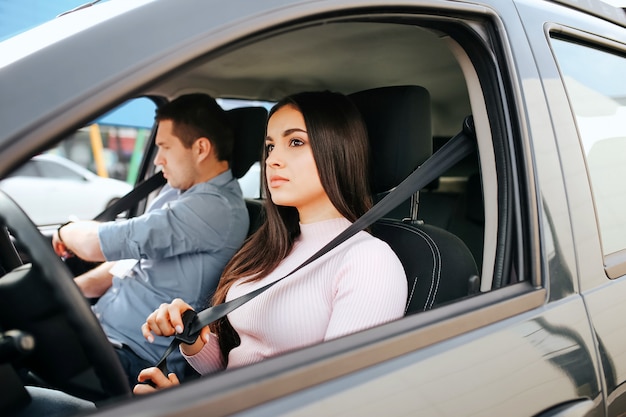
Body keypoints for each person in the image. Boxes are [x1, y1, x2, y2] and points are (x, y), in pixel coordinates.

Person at [133, 90, 408, 393]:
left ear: (338, 150)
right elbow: (241, 366)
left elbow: (338, 400)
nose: (273, 159)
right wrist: (195, 340)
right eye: (270, 146)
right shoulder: (274, 245)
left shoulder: (369, 262)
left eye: (295, 142)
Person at [51, 93, 250, 388]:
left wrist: (65, 230)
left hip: (137, 359)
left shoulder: (216, 208)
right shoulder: (180, 191)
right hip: (102, 332)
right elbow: (128, 261)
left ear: (201, 148)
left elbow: (98, 244)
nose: (157, 160)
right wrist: (68, 292)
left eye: (165, 147)